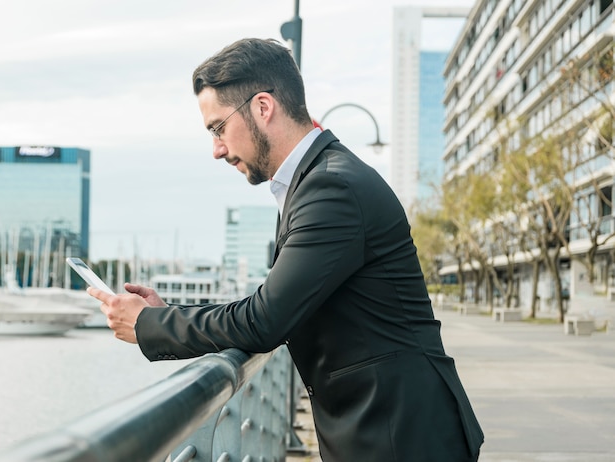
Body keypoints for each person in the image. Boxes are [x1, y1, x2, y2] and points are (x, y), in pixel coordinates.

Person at [89, 37, 484, 462]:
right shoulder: (315, 182)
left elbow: (266, 318)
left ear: (263, 107)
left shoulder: (332, 186)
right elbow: (275, 301)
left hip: (401, 436)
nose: (217, 149)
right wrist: (169, 313)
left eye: (218, 127)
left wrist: (153, 325)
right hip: (389, 429)